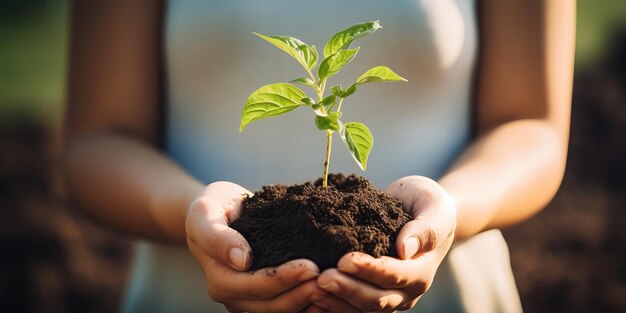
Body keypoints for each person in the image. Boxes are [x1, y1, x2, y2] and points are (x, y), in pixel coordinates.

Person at [64, 0, 575, 312]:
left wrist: (451, 208)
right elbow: (97, 142)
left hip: (446, 293)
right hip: (186, 295)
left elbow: (532, 127)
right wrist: (189, 213)